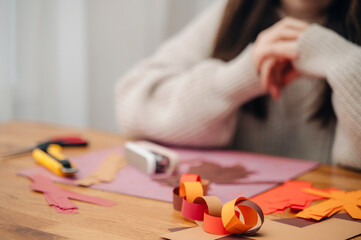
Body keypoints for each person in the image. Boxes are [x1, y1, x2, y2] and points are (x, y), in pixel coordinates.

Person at [115, 0, 361, 170]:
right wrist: (237, 78)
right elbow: (130, 106)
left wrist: (349, 66)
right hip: (235, 215)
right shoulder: (231, 14)